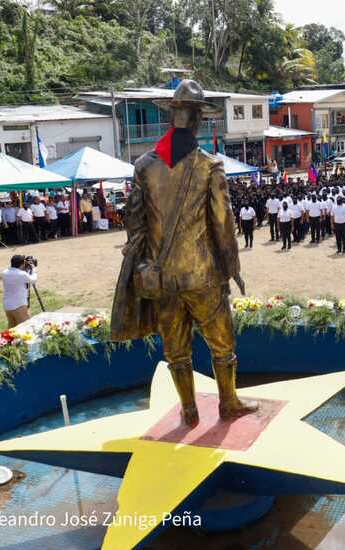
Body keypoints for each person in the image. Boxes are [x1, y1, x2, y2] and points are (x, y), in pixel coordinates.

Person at [110, 79, 255, 427]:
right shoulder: (209, 165)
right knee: (222, 344)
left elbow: (135, 220)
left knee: (176, 350)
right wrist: (232, 267)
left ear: (172, 116)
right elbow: (222, 223)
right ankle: (228, 402)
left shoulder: (144, 164)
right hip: (202, 276)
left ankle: (189, 410)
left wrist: (144, 264)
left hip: (159, 277)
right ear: (198, 119)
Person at [1, 255, 37, 328]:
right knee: (25, 327)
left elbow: (16, 273)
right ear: (22, 264)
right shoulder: (21, 274)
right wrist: (33, 269)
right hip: (18, 305)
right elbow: (33, 280)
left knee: (12, 327)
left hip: (7, 305)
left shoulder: (4, 272)